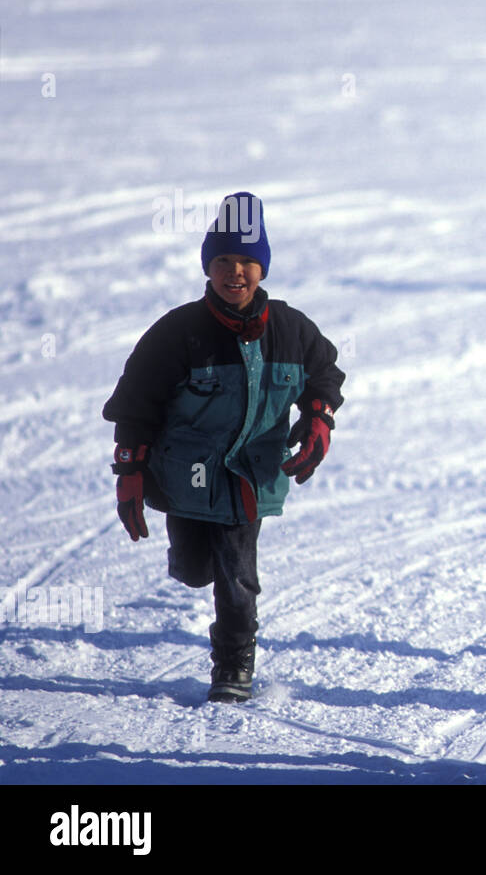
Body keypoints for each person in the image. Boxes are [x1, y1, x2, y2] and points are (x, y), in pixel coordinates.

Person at [103, 193, 344, 702]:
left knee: (237, 579)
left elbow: (324, 374)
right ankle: (199, 563)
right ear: (208, 267)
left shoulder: (291, 329)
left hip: (248, 476)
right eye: (223, 262)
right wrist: (130, 471)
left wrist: (319, 418)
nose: (235, 273)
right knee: (194, 570)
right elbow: (135, 403)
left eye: (246, 262)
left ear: (263, 267)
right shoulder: (179, 332)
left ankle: (233, 668)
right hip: (187, 476)